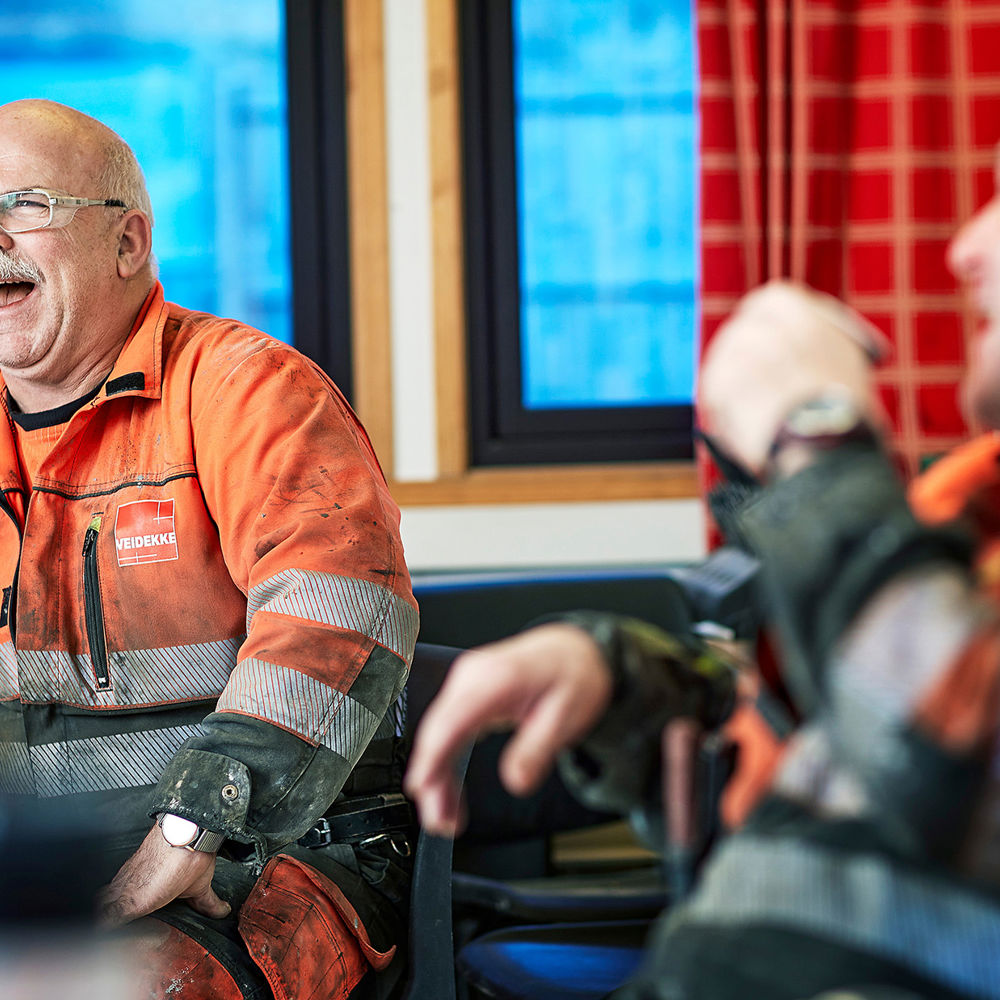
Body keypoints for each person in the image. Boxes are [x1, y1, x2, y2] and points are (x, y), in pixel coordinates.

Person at [405, 153, 1000, 998]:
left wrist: (816, 442)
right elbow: (823, 767)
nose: (966, 247)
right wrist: (618, 681)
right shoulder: (969, 513)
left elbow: (938, 763)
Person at [0, 99, 419, 1000]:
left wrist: (196, 830)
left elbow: (339, 616)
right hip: (47, 869)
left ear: (127, 242)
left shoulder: (249, 392)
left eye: (22, 205)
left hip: (269, 857)